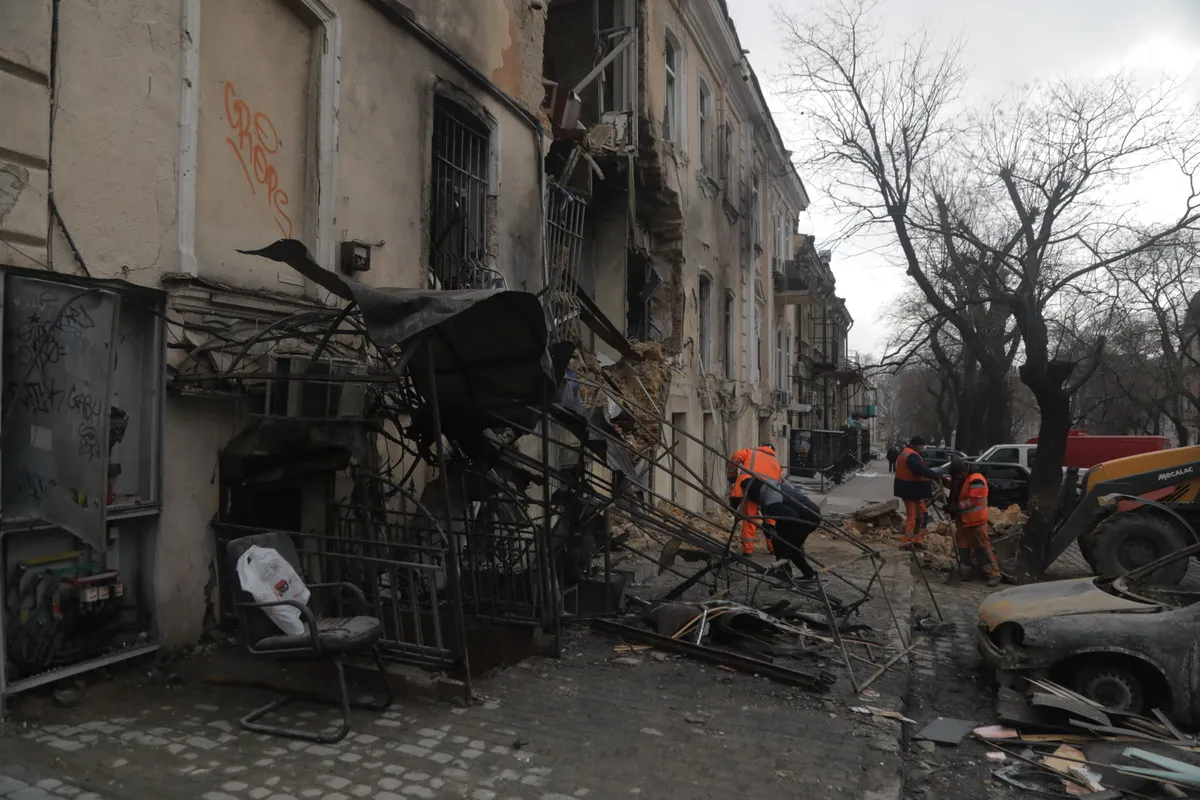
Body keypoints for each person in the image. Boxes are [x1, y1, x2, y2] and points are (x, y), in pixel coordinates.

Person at [743, 475, 822, 583]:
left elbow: (790, 518)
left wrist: (775, 530)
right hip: (811, 514)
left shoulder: (771, 500)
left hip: (805, 518)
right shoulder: (770, 487)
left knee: (781, 543)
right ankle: (809, 575)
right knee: (792, 548)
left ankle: (785, 575)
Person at [945, 456, 1001, 586]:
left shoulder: (977, 480)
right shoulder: (964, 478)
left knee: (982, 548)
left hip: (976, 522)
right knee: (963, 547)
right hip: (964, 521)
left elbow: (973, 501)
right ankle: (965, 572)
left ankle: (994, 574)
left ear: (962, 471)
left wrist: (955, 507)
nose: (956, 477)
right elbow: (959, 491)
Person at [727, 443, 783, 556]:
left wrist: (732, 474)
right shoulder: (777, 464)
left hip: (750, 488)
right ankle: (773, 547)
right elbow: (779, 483)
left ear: (762, 447)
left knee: (750, 518)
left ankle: (748, 550)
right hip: (768, 494)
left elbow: (736, 456)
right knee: (770, 520)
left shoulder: (751, 452)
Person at [894, 436, 939, 548]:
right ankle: (912, 540)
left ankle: (913, 540)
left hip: (909, 489)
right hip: (913, 490)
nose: (923, 449)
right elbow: (917, 469)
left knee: (916, 516)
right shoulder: (912, 455)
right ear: (917, 445)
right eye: (922, 446)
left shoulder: (907, 452)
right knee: (918, 516)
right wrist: (933, 474)